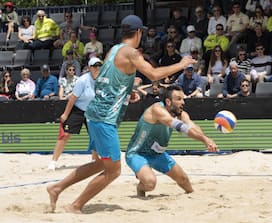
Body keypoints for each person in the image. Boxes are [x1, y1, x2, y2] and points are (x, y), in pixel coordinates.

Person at [46, 15, 196, 214]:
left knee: (100, 163)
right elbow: (153, 74)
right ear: (139, 33)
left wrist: (126, 92)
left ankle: (56, 188)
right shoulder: (131, 53)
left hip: (95, 114)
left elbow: (103, 80)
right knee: (114, 170)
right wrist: (182, 63)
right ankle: (75, 205)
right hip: (103, 119)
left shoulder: (113, 50)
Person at [126, 85, 218, 197]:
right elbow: (179, 126)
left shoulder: (181, 114)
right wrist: (204, 139)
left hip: (157, 154)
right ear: (168, 102)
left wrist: (206, 139)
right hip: (137, 153)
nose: (183, 102)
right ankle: (140, 188)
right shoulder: (157, 110)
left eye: (183, 99)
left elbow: (192, 127)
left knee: (184, 180)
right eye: (179, 99)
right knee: (150, 183)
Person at [47, 57, 102, 171]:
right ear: (89, 68)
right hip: (78, 109)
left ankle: (94, 161)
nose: (97, 68)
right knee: (65, 135)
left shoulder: (103, 80)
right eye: (94, 66)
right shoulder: (82, 80)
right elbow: (73, 98)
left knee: (96, 136)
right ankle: (53, 162)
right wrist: (66, 114)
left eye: (99, 66)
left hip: (93, 111)